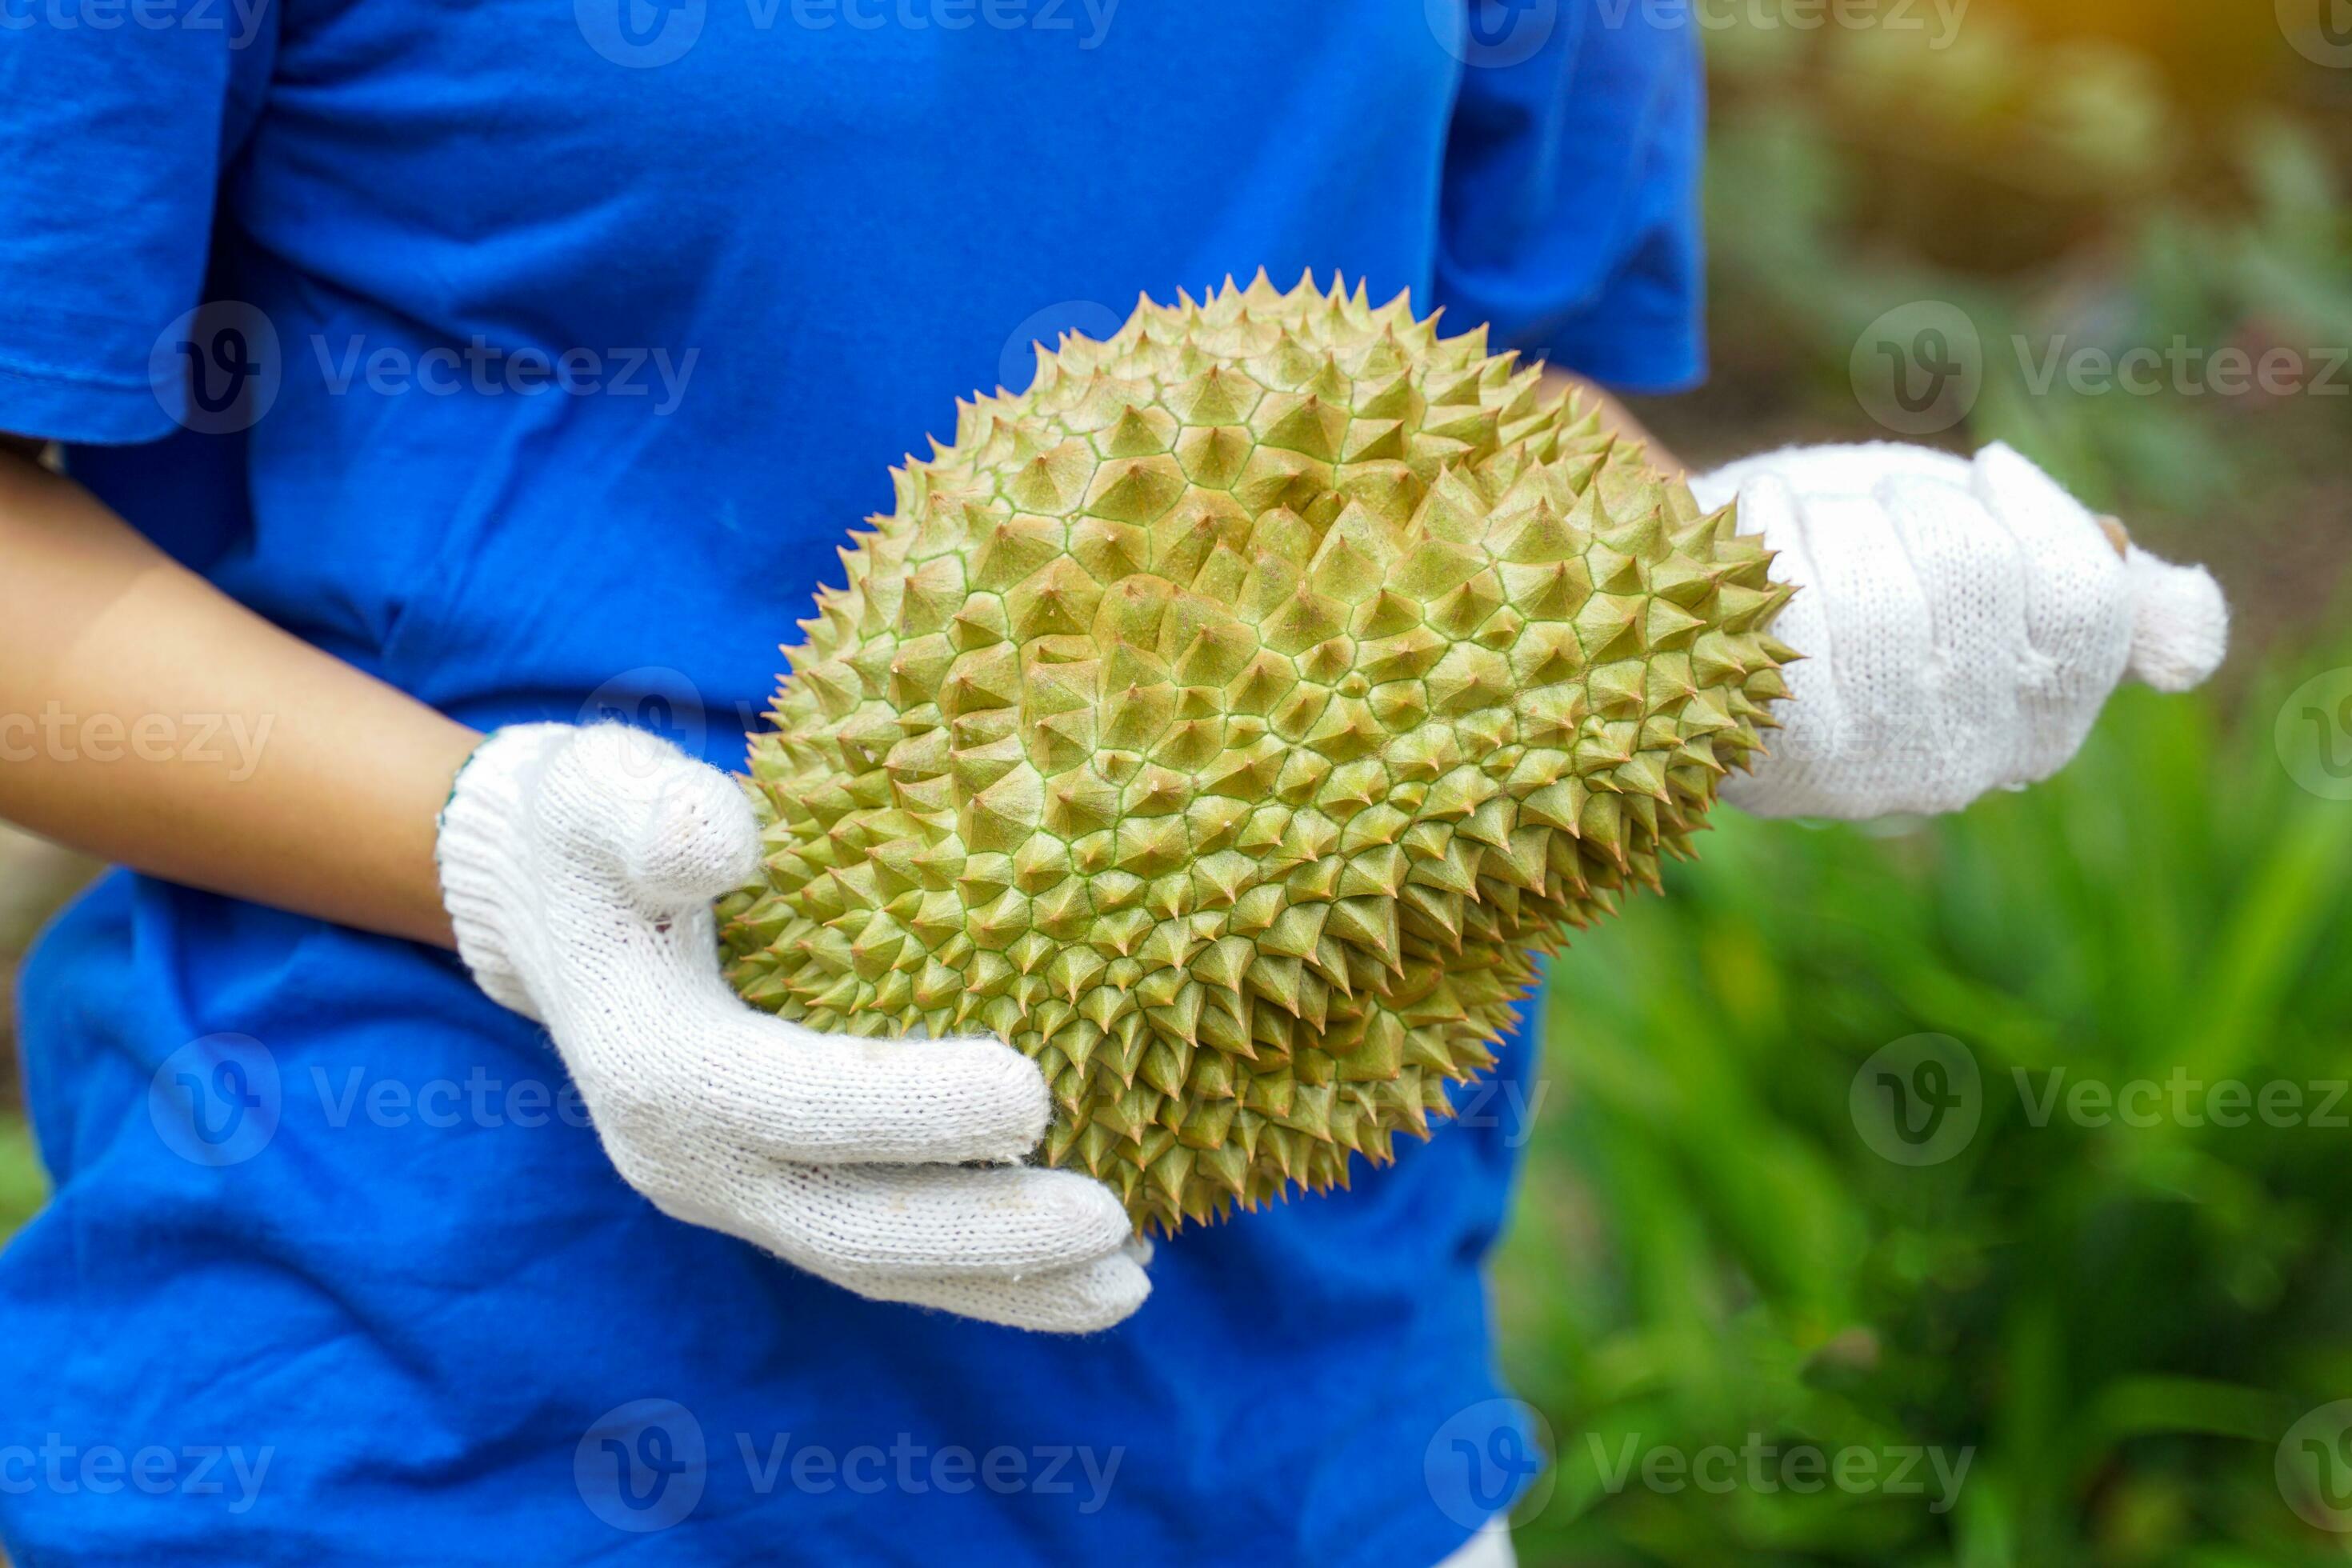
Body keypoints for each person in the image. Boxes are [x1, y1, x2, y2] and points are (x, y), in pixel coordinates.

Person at [0, 2, 2226, 1562]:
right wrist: (488, 859)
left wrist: (1768, 597)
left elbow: (1485, 401)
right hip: (414, 1408)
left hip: (1296, 1434)